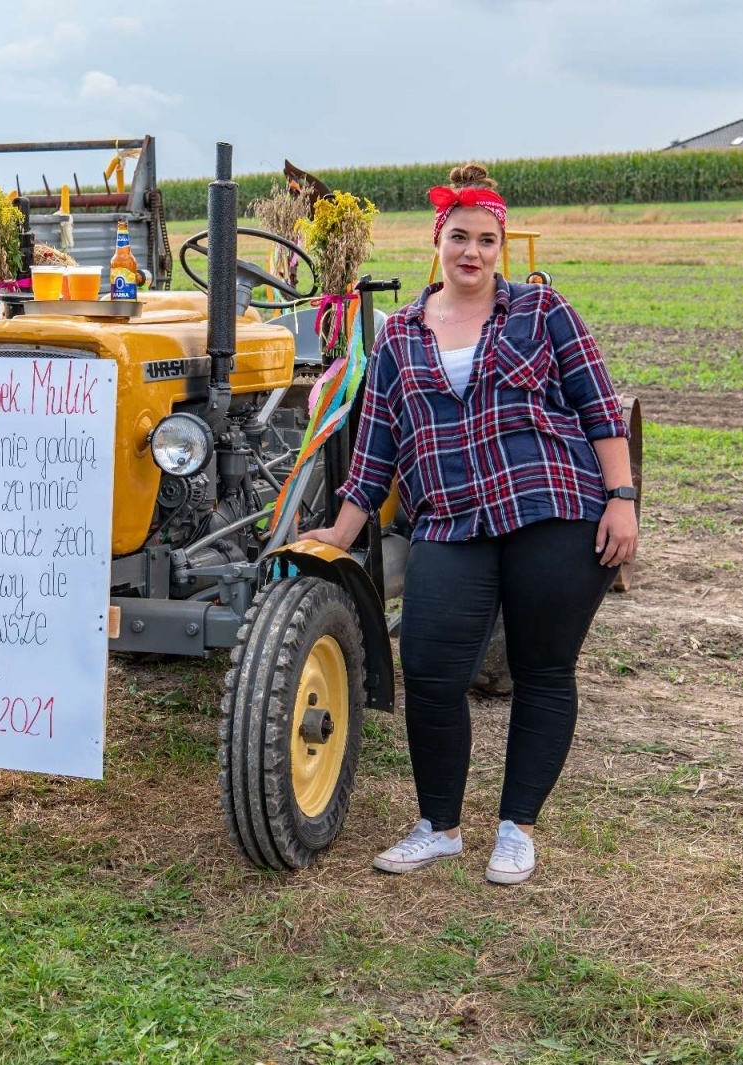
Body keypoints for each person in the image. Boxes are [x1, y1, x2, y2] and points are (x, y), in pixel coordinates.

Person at [303, 164, 638, 885]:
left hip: (551, 507)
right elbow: (376, 448)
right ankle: (440, 826)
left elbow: (599, 404)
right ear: (438, 242)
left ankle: (516, 828)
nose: (473, 252)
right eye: (460, 237)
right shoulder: (399, 336)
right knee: (429, 671)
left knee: (543, 668)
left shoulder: (542, 311)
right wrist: (339, 532)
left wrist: (622, 497)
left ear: (500, 247)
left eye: (487, 240)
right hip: (451, 520)